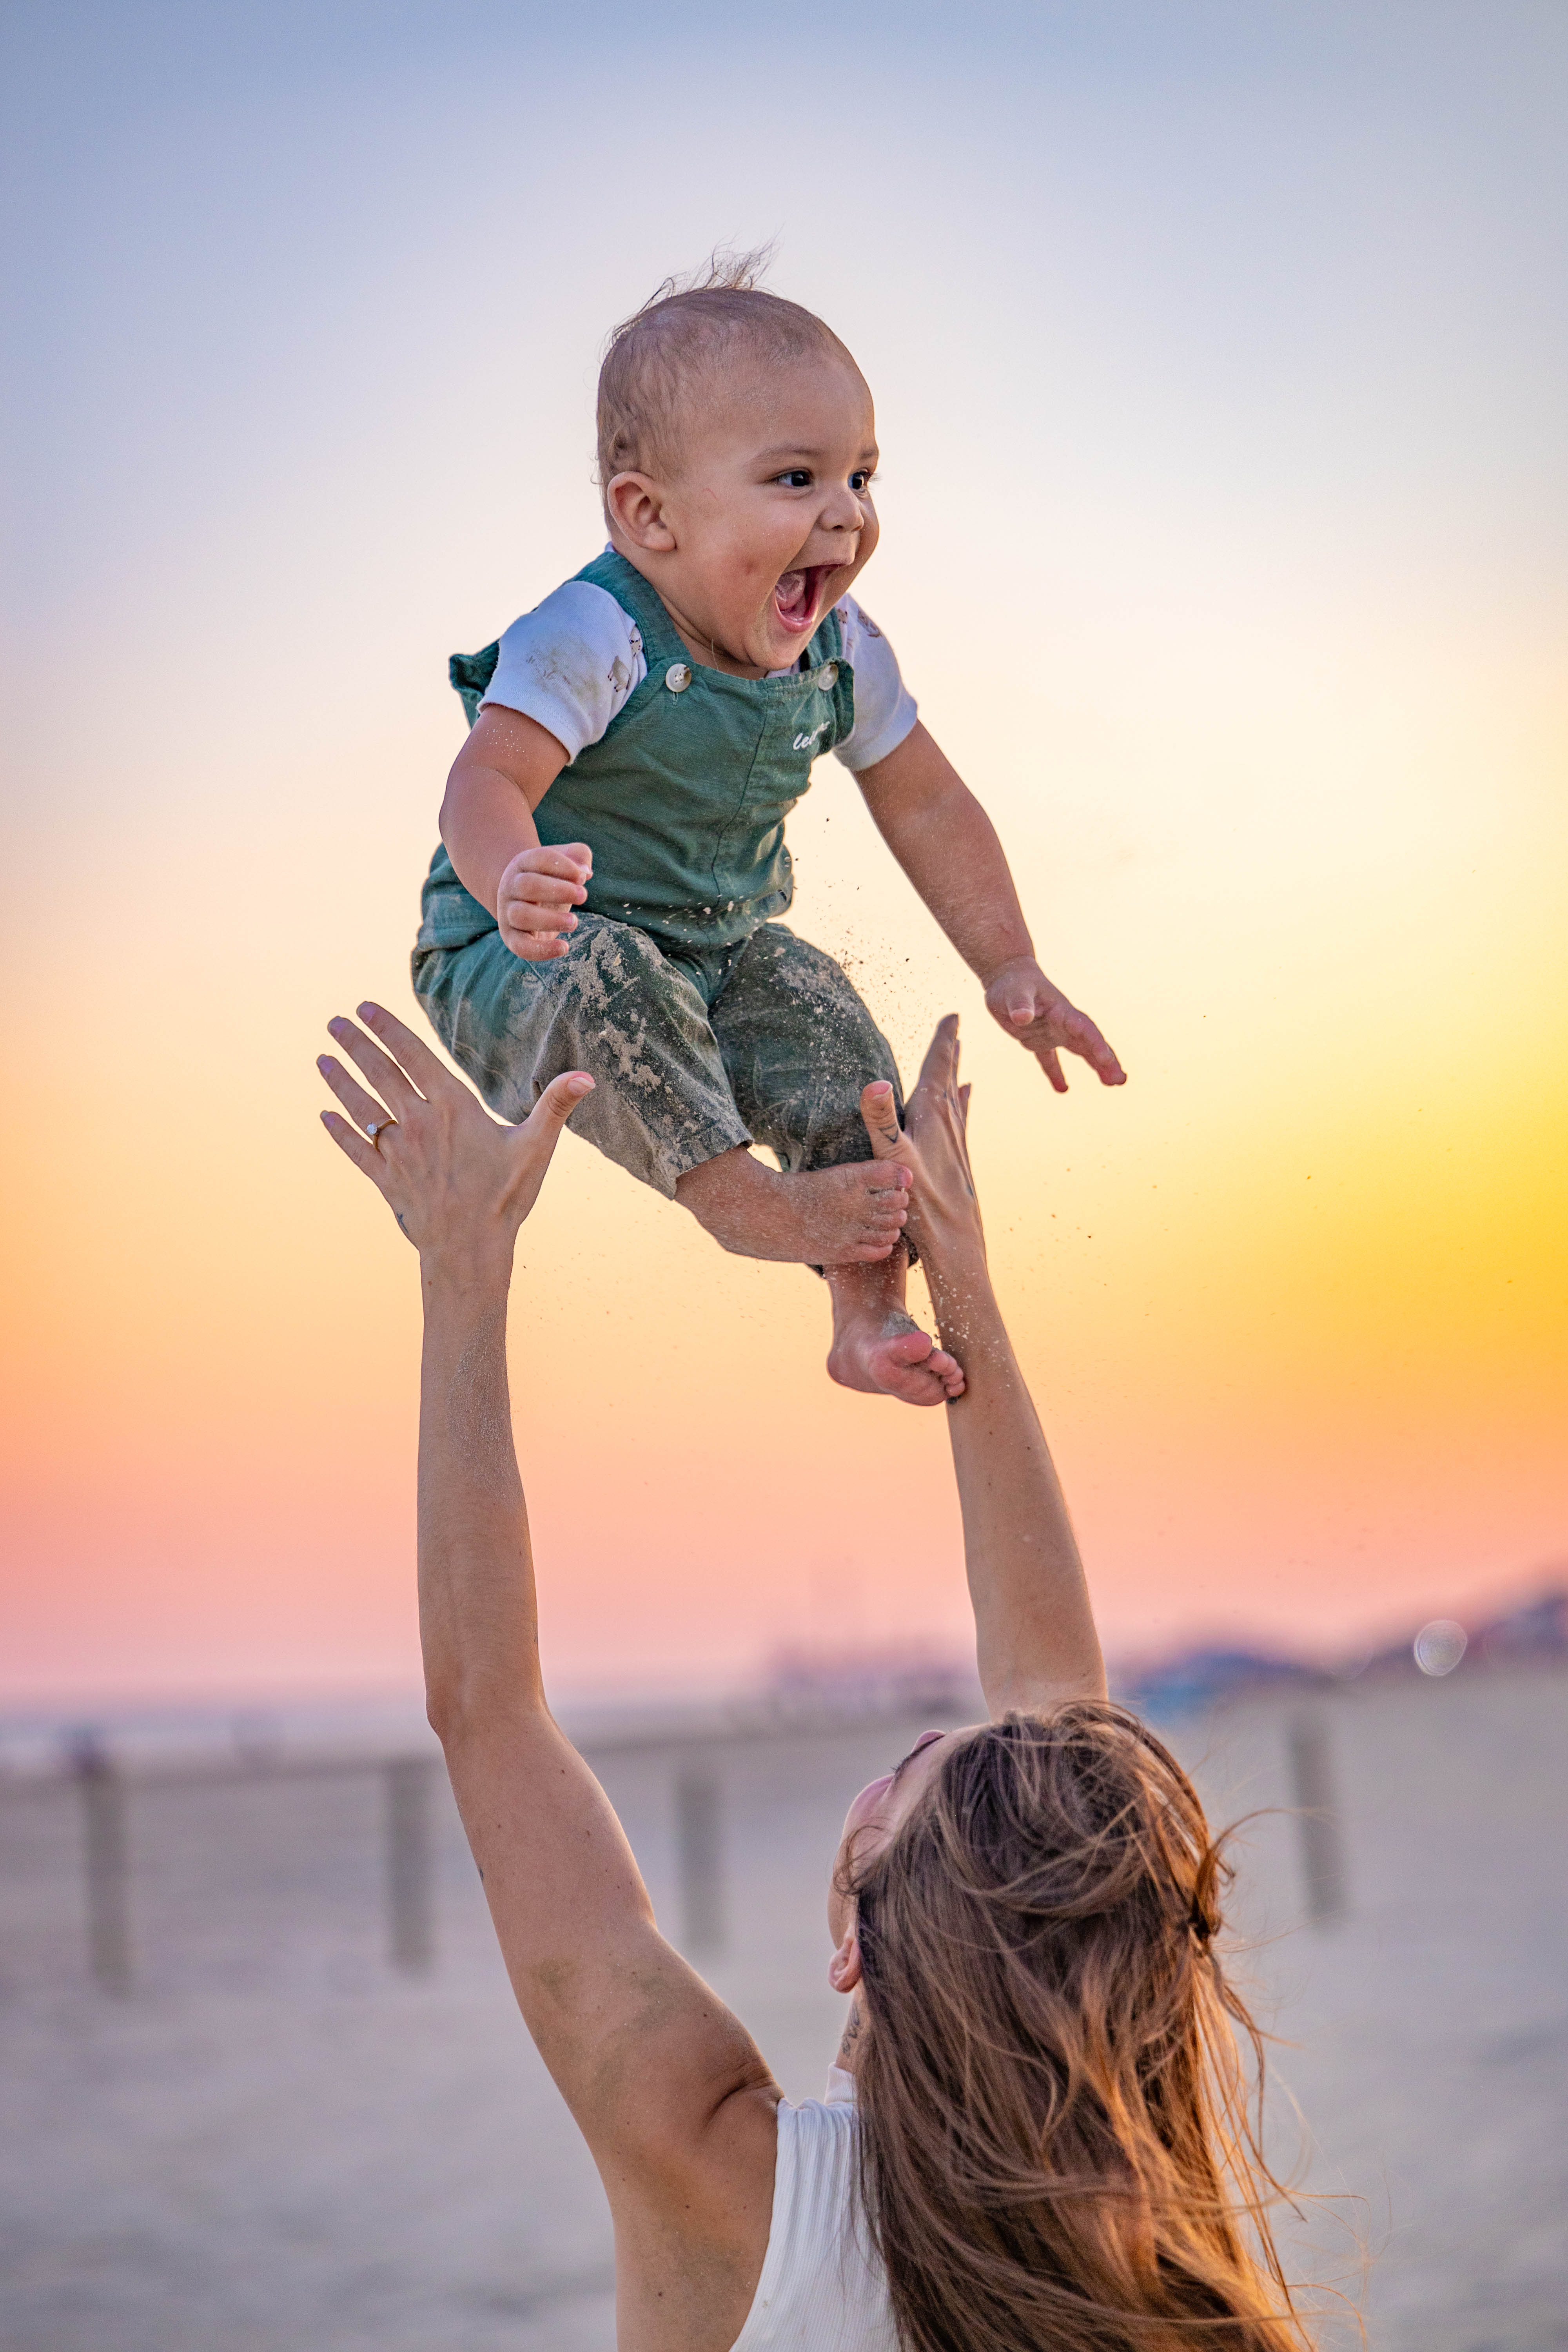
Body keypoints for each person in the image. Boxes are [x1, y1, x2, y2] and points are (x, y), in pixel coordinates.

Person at [316, 1004, 1308, 2352]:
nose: (946, 1734)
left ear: (856, 1941)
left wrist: (463, 1262)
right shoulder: (1152, 2221)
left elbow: (488, 1713)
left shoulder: (737, 2186)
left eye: (908, 1772)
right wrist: (957, 1270)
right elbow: (1056, 1714)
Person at [412, 254, 1125, 1414]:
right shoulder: (594, 633)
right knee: (614, 966)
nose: (844, 514)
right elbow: (484, 776)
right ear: (649, 516)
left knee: (821, 1012)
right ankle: (739, 1199)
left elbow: (928, 799)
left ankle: (865, 1317)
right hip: (523, 955)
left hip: (716, 952)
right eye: (797, 478)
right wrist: (513, 881)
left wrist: (1012, 962)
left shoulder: (843, 648)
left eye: (861, 476)